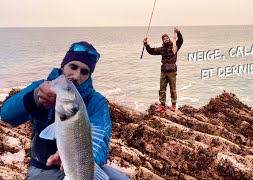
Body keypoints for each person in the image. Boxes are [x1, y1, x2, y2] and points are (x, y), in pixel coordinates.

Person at [1, 41, 130, 180]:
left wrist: (79, 163)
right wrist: (35, 98)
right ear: (63, 65)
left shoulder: (97, 102)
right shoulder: (40, 86)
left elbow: (101, 144)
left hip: (82, 168)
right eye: (73, 67)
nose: (76, 76)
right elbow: (7, 114)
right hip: (43, 169)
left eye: (84, 72)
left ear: (89, 75)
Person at [143, 27, 183, 112]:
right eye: (164, 39)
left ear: (169, 38)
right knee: (162, 88)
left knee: (173, 88)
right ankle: (162, 105)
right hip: (163, 71)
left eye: (167, 38)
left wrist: (178, 32)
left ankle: (173, 104)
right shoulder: (161, 49)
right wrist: (146, 44)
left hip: (172, 71)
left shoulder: (175, 46)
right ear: (163, 40)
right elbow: (151, 51)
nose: (165, 39)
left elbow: (181, 41)